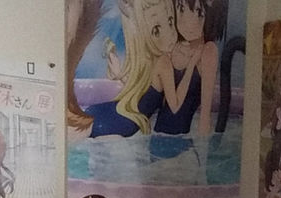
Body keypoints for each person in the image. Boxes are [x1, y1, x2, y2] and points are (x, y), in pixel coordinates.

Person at [72, 0, 177, 138]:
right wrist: (118, 73)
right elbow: (168, 104)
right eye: (156, 30)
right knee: (85, 122)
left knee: (82, 124)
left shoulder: (159, 61)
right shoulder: (160, 61)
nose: (169, 34)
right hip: (126, 116)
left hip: (125, 116)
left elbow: (168, 104)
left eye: (170, 22)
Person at [154, 0, 225, 137]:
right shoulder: (172, 47)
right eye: (181, 8)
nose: (188, 21)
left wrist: (203, 145)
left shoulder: (208, 51)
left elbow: (205, 116)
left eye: (198, 12)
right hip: (158, 135)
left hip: (182, 139)